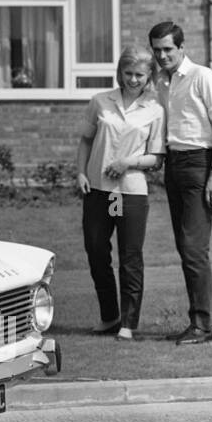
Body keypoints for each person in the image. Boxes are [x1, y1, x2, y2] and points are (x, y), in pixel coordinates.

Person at [148, 21, 212, 345]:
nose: (162, 55)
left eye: (168, 49)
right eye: (157, 50)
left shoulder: (203, 77)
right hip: (174, 164)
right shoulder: (164, 82)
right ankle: (206, 321)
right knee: (187, 247)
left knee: (194, 247)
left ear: (182, 48)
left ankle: (202, 325)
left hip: (200, 163)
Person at [76, 47, 165, 340]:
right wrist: (80, 172)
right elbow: (86, 141)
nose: (133, 79)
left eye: (140, 74)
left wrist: (128, 162)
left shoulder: (155, 109)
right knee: (97, 251)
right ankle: (110, 316)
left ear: (149, 75)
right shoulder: (100, 101)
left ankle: (128, 322)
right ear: (120, 72)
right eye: (128, 73)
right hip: (100, 191)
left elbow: (156, 158)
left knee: (130, 256)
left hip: (129, 193)